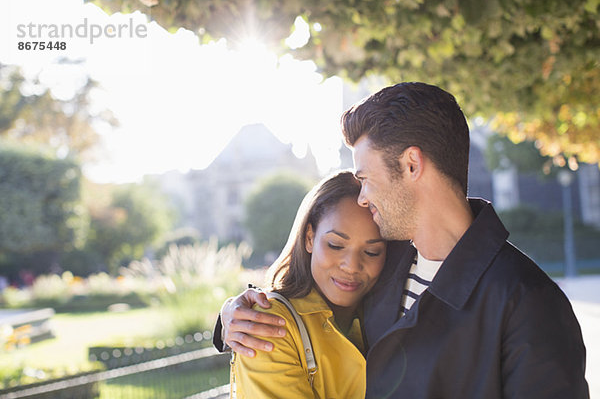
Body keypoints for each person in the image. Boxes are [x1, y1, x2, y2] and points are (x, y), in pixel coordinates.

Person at [216, 82, 589, 398]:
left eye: (365, 177)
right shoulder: (384, 262)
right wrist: (232, 315)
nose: (362, 197)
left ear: (411, 165)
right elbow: (316, 314)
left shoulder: (528, 302)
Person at [230, 170, 387, 398]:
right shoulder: (268, 325)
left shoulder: (396, 308)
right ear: (310, 238)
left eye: (372, 251)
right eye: (335, 245)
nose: (352, 266)